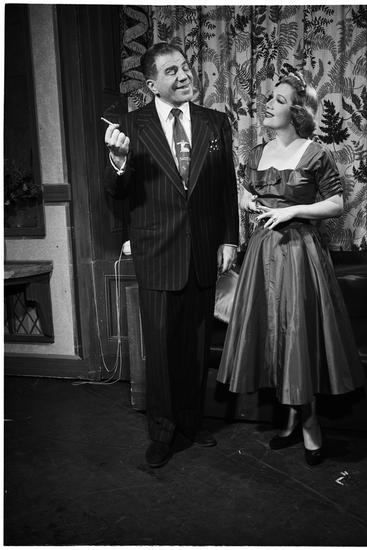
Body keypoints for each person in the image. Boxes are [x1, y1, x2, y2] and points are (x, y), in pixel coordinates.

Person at [217, 71, 364, 466]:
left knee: (296, 334)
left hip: (299, 253)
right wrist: (249, 202)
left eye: (279, 100)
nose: (268, 104)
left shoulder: (314, 153)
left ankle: (310, 421)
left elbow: (336, 203)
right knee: (272, 336)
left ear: (297, 113)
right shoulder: (257, 153)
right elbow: (245, 192)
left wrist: (294, 210)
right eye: (270, 98)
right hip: (262, 254)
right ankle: (291, 417)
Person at [103, 42, 239, 468]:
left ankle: (191, 422)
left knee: (196, 345)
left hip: (203, 249)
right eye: (171, 71)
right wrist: (118, 162)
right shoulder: (130, 126)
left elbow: (225, 186)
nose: (183, 76)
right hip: (157, 251)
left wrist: (228, 239)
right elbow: (116, 193)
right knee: (161, 350)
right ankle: (162, 431)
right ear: (151, 84)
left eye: (185, 67)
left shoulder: (215, 122)